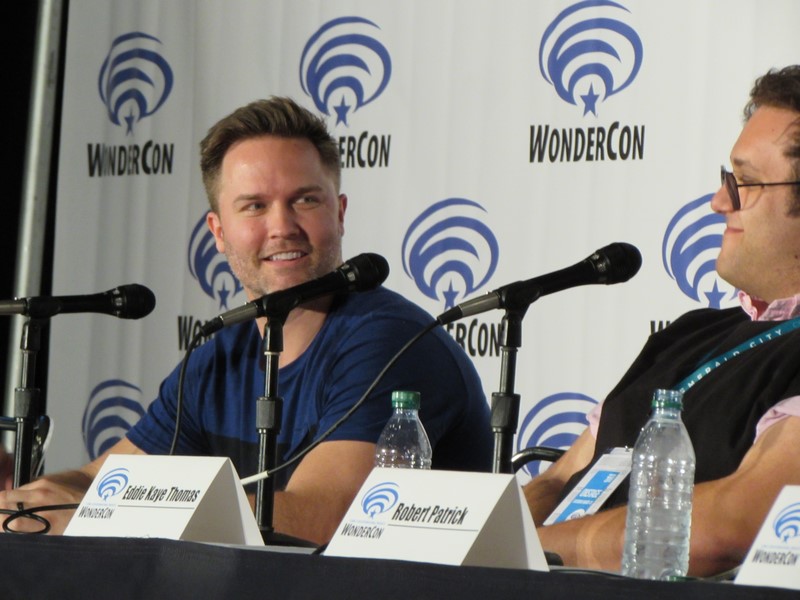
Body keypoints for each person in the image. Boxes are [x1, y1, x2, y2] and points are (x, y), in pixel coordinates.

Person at [0, 97, 492, 542]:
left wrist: (107, 515)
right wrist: (26, 504)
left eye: (305, 200)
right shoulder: (220, 353)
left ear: (339, 213)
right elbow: (98, 480)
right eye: (255, 206)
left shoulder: (391, 341)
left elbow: (326, 518)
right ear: (218, 231)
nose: (282, 227)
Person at [524, 65, 800, 577]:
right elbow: (561, 478)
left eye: (744, 183)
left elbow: (733, 524)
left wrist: (531, 550)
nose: (719, 202)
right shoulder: (688, 333)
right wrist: (476, 536)